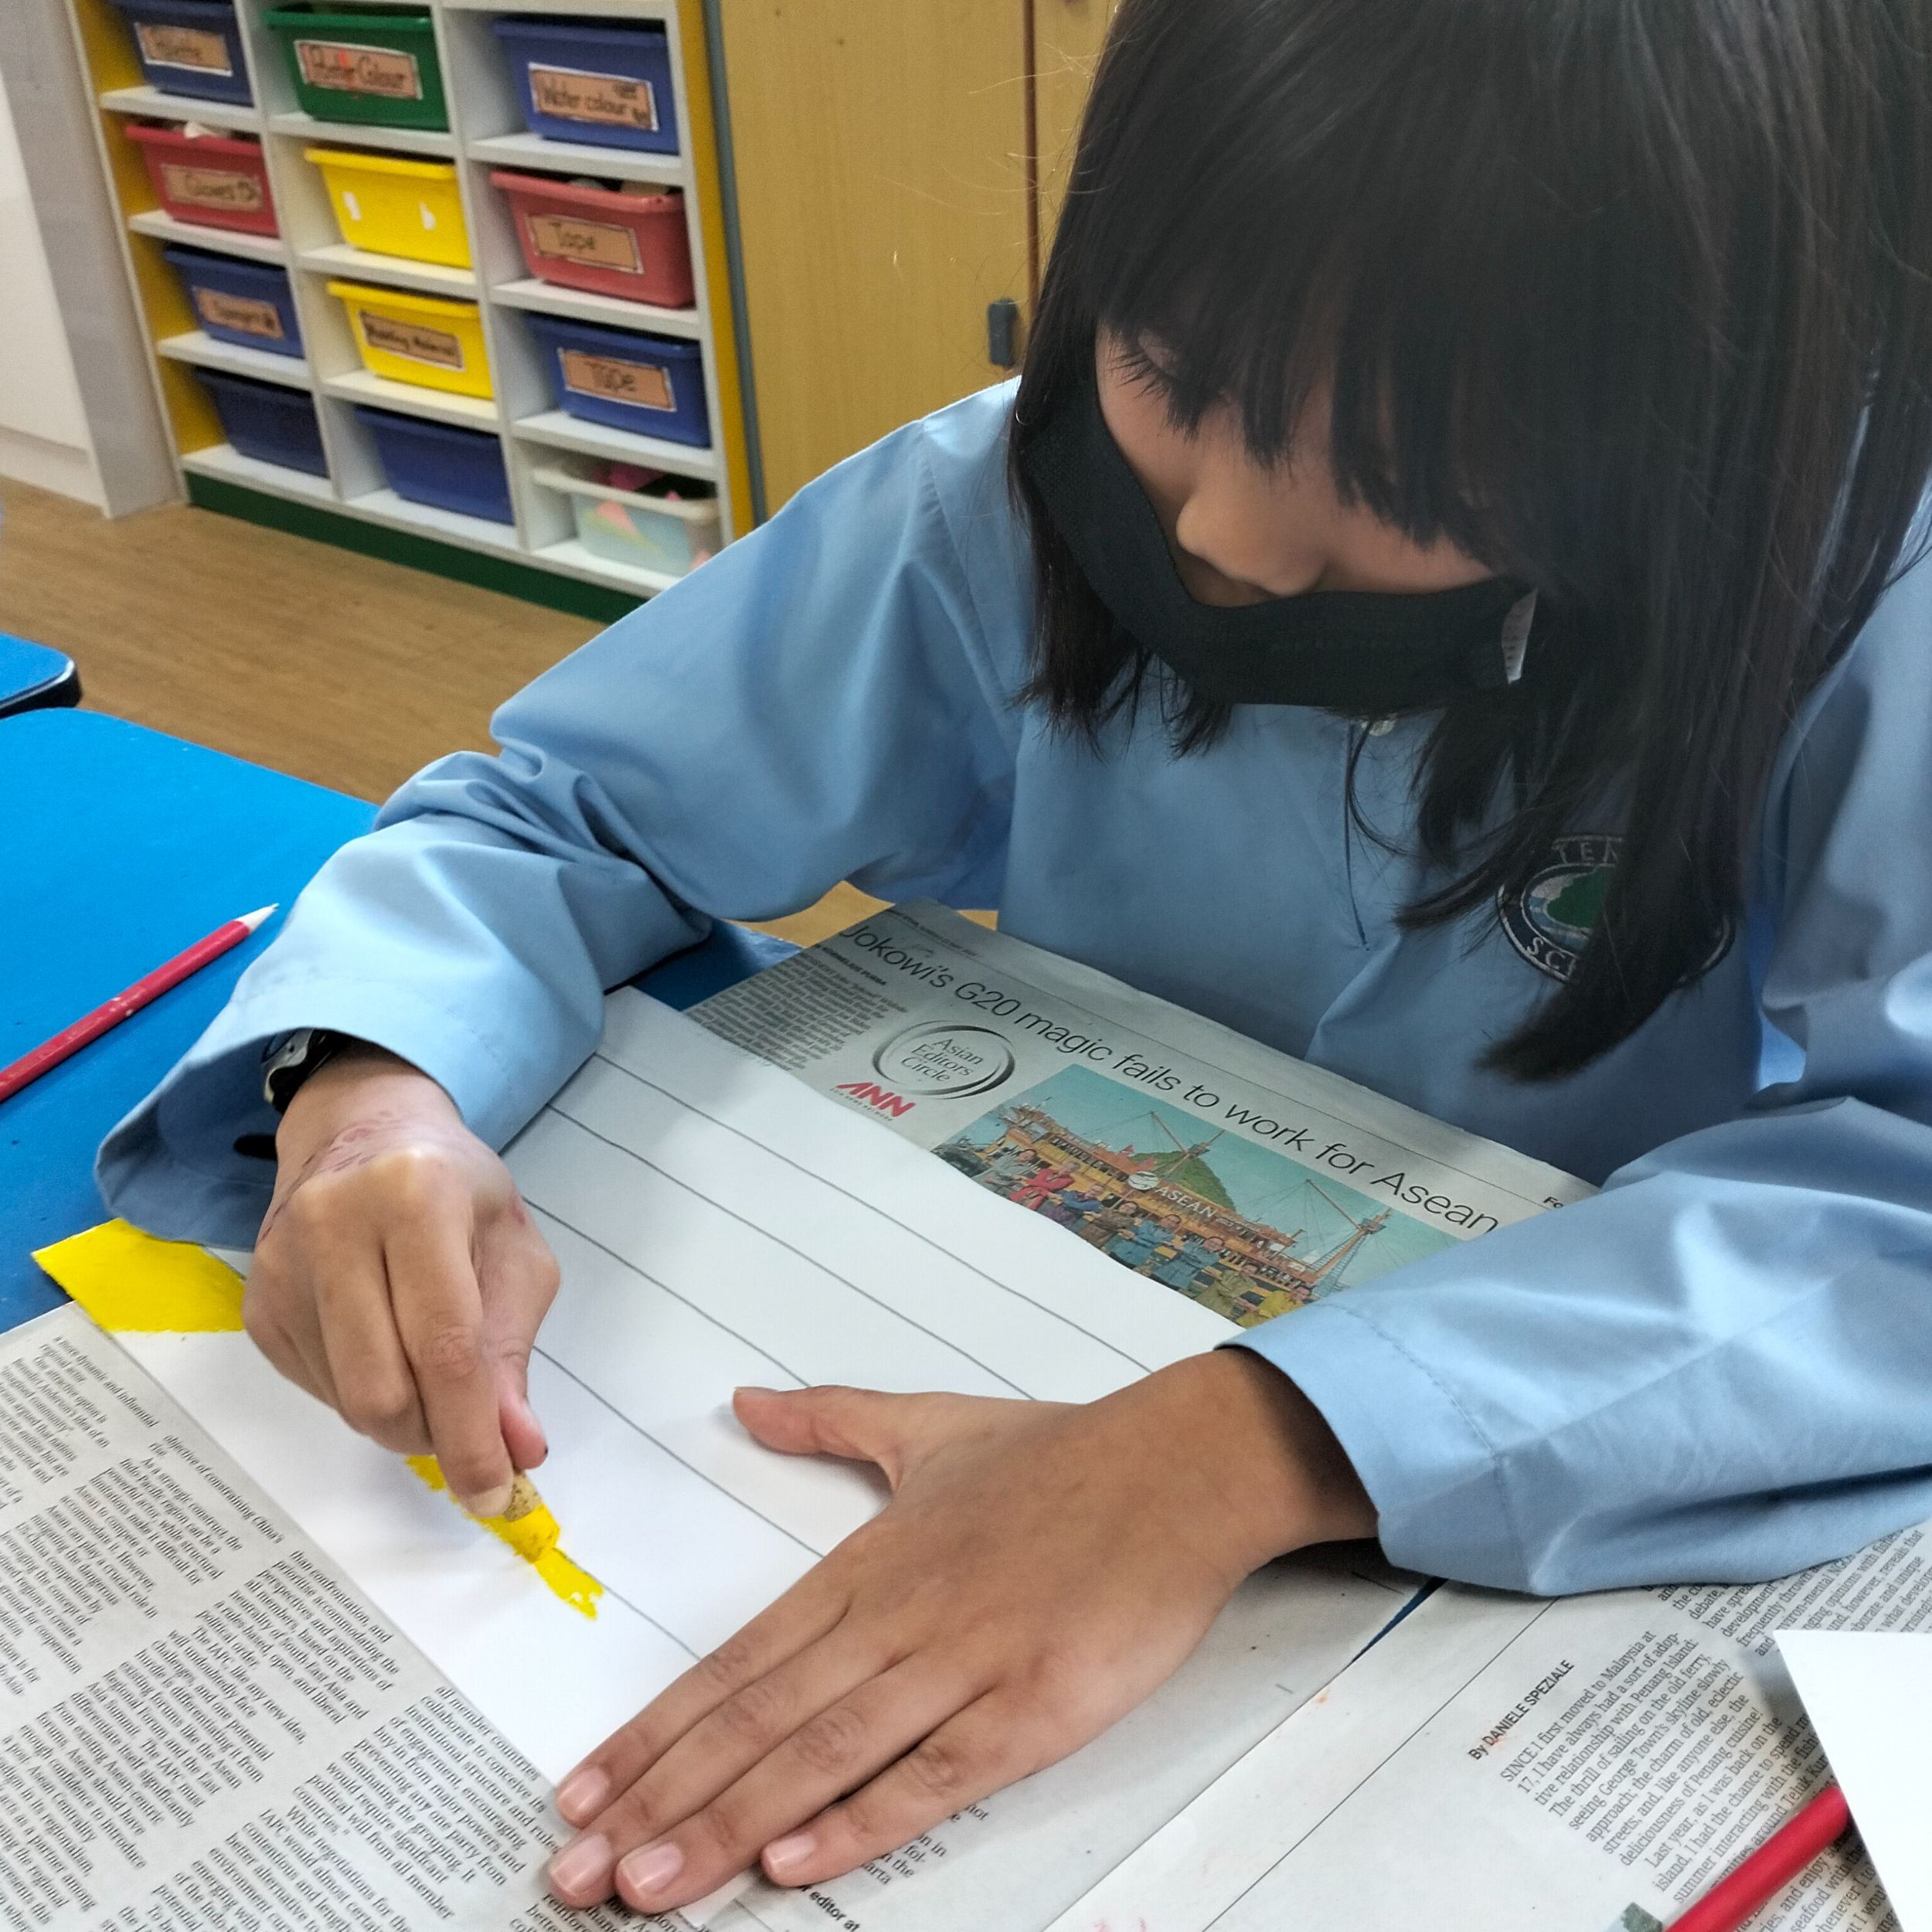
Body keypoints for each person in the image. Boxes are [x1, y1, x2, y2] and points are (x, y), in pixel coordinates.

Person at [98, 0, 1932, 1916]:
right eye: (1176, 364)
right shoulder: (991, 504)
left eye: (1407, 477)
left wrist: (1242, 1450)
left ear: (1697, 433)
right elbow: (553, 809)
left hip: (1562, 1407)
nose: (1224, 535)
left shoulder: (1855, 605)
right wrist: (374, 1088)